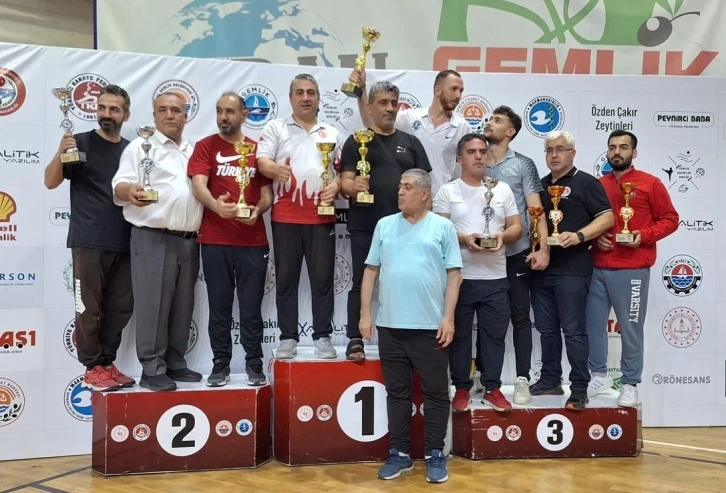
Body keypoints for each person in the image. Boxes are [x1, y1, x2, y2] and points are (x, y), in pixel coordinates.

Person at [360, 169, 462, 483]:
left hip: (431, 328)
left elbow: (454, 274)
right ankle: (399, 454)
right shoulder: (384, 225)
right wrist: (365, 314)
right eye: (399, 187)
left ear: (424, 193)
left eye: (407, 187)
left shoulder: (443, 227)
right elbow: (371, 270)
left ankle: (435, 454)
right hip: (390, 326)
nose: (400, 192)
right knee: (397, 394)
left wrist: (448, 317)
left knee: (436, 394)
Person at [43, 84, 135, 392]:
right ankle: (92, 366)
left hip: (127, 242)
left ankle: (107, 364)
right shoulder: (78, 143)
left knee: (120, 309)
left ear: (125, 115)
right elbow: (50, 182)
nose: (107, 114)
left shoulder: (133, 151)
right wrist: (61, 152)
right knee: (89, 308)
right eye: (102, 108)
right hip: (89, 240)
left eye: (114, 109)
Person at [112, 92, 203, 392]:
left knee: (182, 306)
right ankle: (151, 368)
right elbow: (120, 183)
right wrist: (129, 192)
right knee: (154, 305)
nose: (169, 115)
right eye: (162, 110)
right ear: (153, 116)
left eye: (175, 110)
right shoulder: (141, 146)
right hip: (153, 236)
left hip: (189, 239)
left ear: (185, 115)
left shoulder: (194, 150)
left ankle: (175, 361)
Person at [339, 81, 431, 361]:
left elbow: (425, 187)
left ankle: (406, 336)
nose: (390, 108)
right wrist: (353, 187)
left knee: (405, 281)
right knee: (360, 282)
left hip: (405, 228)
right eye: (383, 102)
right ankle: (355, 338)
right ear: (369, 106)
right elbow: (345, 181)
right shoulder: (356, 141)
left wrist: (424, 224)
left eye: (393, 103)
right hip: (365, 224)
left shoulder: (411, 142)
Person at [586, 130, 679, 407]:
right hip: (597, 267)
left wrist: (644, 235)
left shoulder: (650, 183)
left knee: (630, 329)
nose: (617, 152)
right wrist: (594, 238)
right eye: (612, 147)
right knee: (593, 325)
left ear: (634, 153)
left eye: (624, 147)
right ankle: (599, 375)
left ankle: (629, 383)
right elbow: (588, 222)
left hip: (632, 269)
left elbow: (671, 219)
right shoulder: (597, 185)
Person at [188, 92, 273, 387]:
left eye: (230, 112)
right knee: (219, 307)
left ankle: (254, 363)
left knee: (251, 309)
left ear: (244, 115)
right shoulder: (205, 146)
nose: (224, 117)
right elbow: (198, 185)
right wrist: (216, 206)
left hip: (253, 241)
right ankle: (220, 363)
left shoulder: (258, 150)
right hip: (215, 239)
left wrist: (258, 210)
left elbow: (267, 194)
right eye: (219, 111)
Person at [257, 74, 344, 360]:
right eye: (300, 92)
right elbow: (262, 161)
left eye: (311, 92)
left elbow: (343, 171)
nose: (306, 98)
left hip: (322, 218)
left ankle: (322, 336)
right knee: (286, 281)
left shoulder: (332, 132)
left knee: (323, 280)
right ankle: (287, 338)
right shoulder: (276, 127)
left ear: (318, 98)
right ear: (291, 97)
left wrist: (336, 185)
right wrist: (275, 170)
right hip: (285, 216)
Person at [434, 133, 522, 412]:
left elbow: (517, 227)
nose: (479, 156)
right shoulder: (448, 191)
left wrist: (502, 237)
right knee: (459, 337)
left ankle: (492, 388)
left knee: (494, 338)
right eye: (472, 152)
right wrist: (465, 239)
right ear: (460, 158)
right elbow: (438, 231)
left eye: (483, 151)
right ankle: (461, 388)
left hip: (495, 278)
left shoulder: (501, 189)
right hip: (459, 279)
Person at [530, 130, 614, 410]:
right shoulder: (540, 186)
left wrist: (579, 235)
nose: (554, 155)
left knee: (574, 331)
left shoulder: (586, 182)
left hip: (573, 270)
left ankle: (579, 388)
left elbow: (607, 217)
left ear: (572, 153)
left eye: (560, 149)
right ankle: (550, 379)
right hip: (542, 269)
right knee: (546, 330)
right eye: (549, 150)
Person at [481, 105, 549, 405]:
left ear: (510, 132)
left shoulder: (523, 164)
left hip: (517, 253)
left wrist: (543, 247)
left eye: (497, 121)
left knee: (520, 316)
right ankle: (484, 378)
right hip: (482, 256)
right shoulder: (475, 159)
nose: (489, 123)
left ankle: (522, 379)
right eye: (489, 118)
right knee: (485, 319)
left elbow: (536, 210)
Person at [349, 68, 471, 197]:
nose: (458, 95)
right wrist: (362, 88)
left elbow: (468, 165)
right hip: (412, 199)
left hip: (443, 199)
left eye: (461, 90)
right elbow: (371, 123)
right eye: (453, 89)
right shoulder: (410, 117)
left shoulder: (463, 127)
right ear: (437, 90)